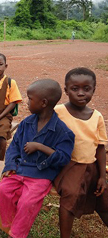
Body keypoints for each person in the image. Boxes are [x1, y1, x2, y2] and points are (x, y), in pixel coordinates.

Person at [0, 79, 75, 238]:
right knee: (3, 189)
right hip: (20, 169)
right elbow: (14, 146)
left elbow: (63, 158)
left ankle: (18, 233)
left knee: (28, 202)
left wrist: (40, 147)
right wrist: (10, 165)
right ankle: (12, 223)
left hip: (41, 174)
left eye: (30, 98)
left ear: (44, 103)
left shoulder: (62, 131)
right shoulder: (27, 123)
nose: (26, 102)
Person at [54, 67, 108, 238]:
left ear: (94, 89)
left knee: (105, 198)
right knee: (70, 194)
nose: (81, 93)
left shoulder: (96, 116)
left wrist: (102, 176)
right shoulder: (58, 112)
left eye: (87, 89)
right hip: (68, 165)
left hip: (91, 166)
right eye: (74, 89)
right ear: (66, 90)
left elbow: (100, 147)